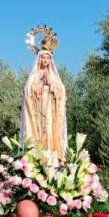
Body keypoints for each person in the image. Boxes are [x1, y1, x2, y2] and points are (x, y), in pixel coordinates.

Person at [20, 33, 67, 163]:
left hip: (51, 110)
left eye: (48, 58)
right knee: (39, 131)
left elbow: (62, 91)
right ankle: (37, 156)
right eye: (43, 58)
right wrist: (38, 85)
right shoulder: (35, 74)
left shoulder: (53, 75)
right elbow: (27, 90)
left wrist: (52, 85)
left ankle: (53, 156)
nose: (45, 60)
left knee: (50, 130)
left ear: (50, 60)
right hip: (38, 108)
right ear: (39, 59)